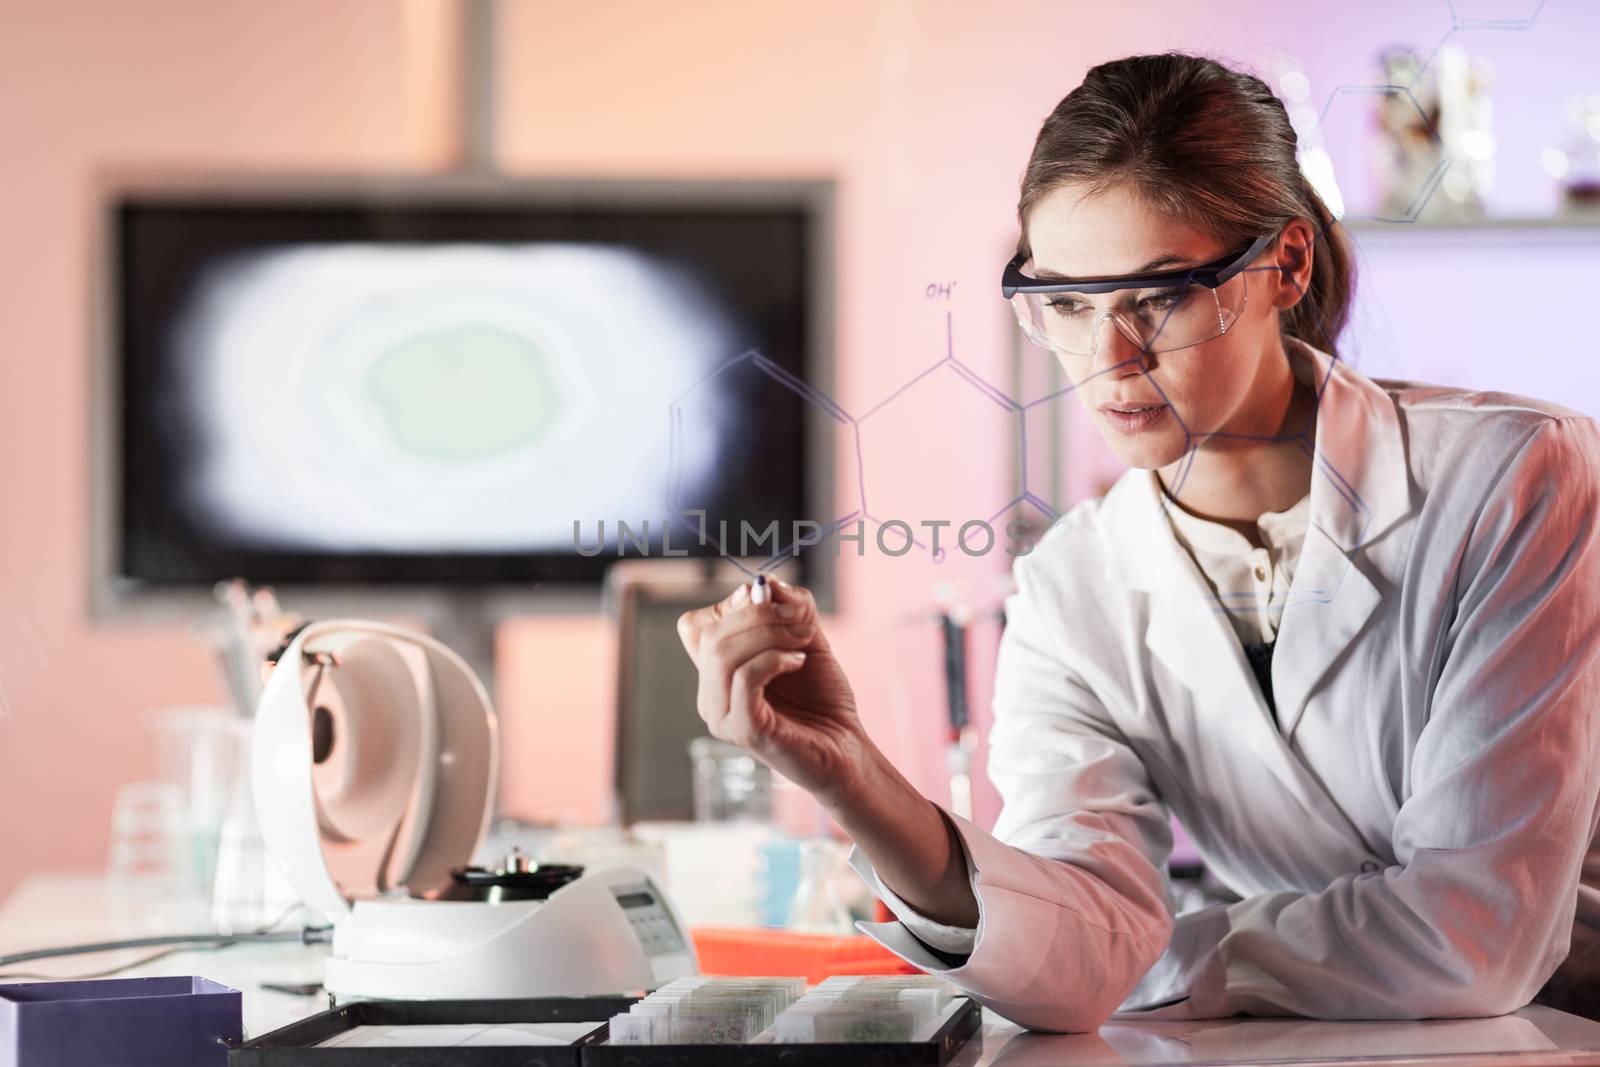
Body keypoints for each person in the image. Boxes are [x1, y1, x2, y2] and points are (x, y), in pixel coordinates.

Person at [675, 52, 1600, 1032]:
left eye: (1155, 296)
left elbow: (1474, 934)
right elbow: (1070, 953)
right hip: (1321, 1039)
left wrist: (1156, 952)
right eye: (1066, 304)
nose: (1106, 361)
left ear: (1284, 264)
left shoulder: (1514, 478)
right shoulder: (1071, 585)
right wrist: (850, 772)